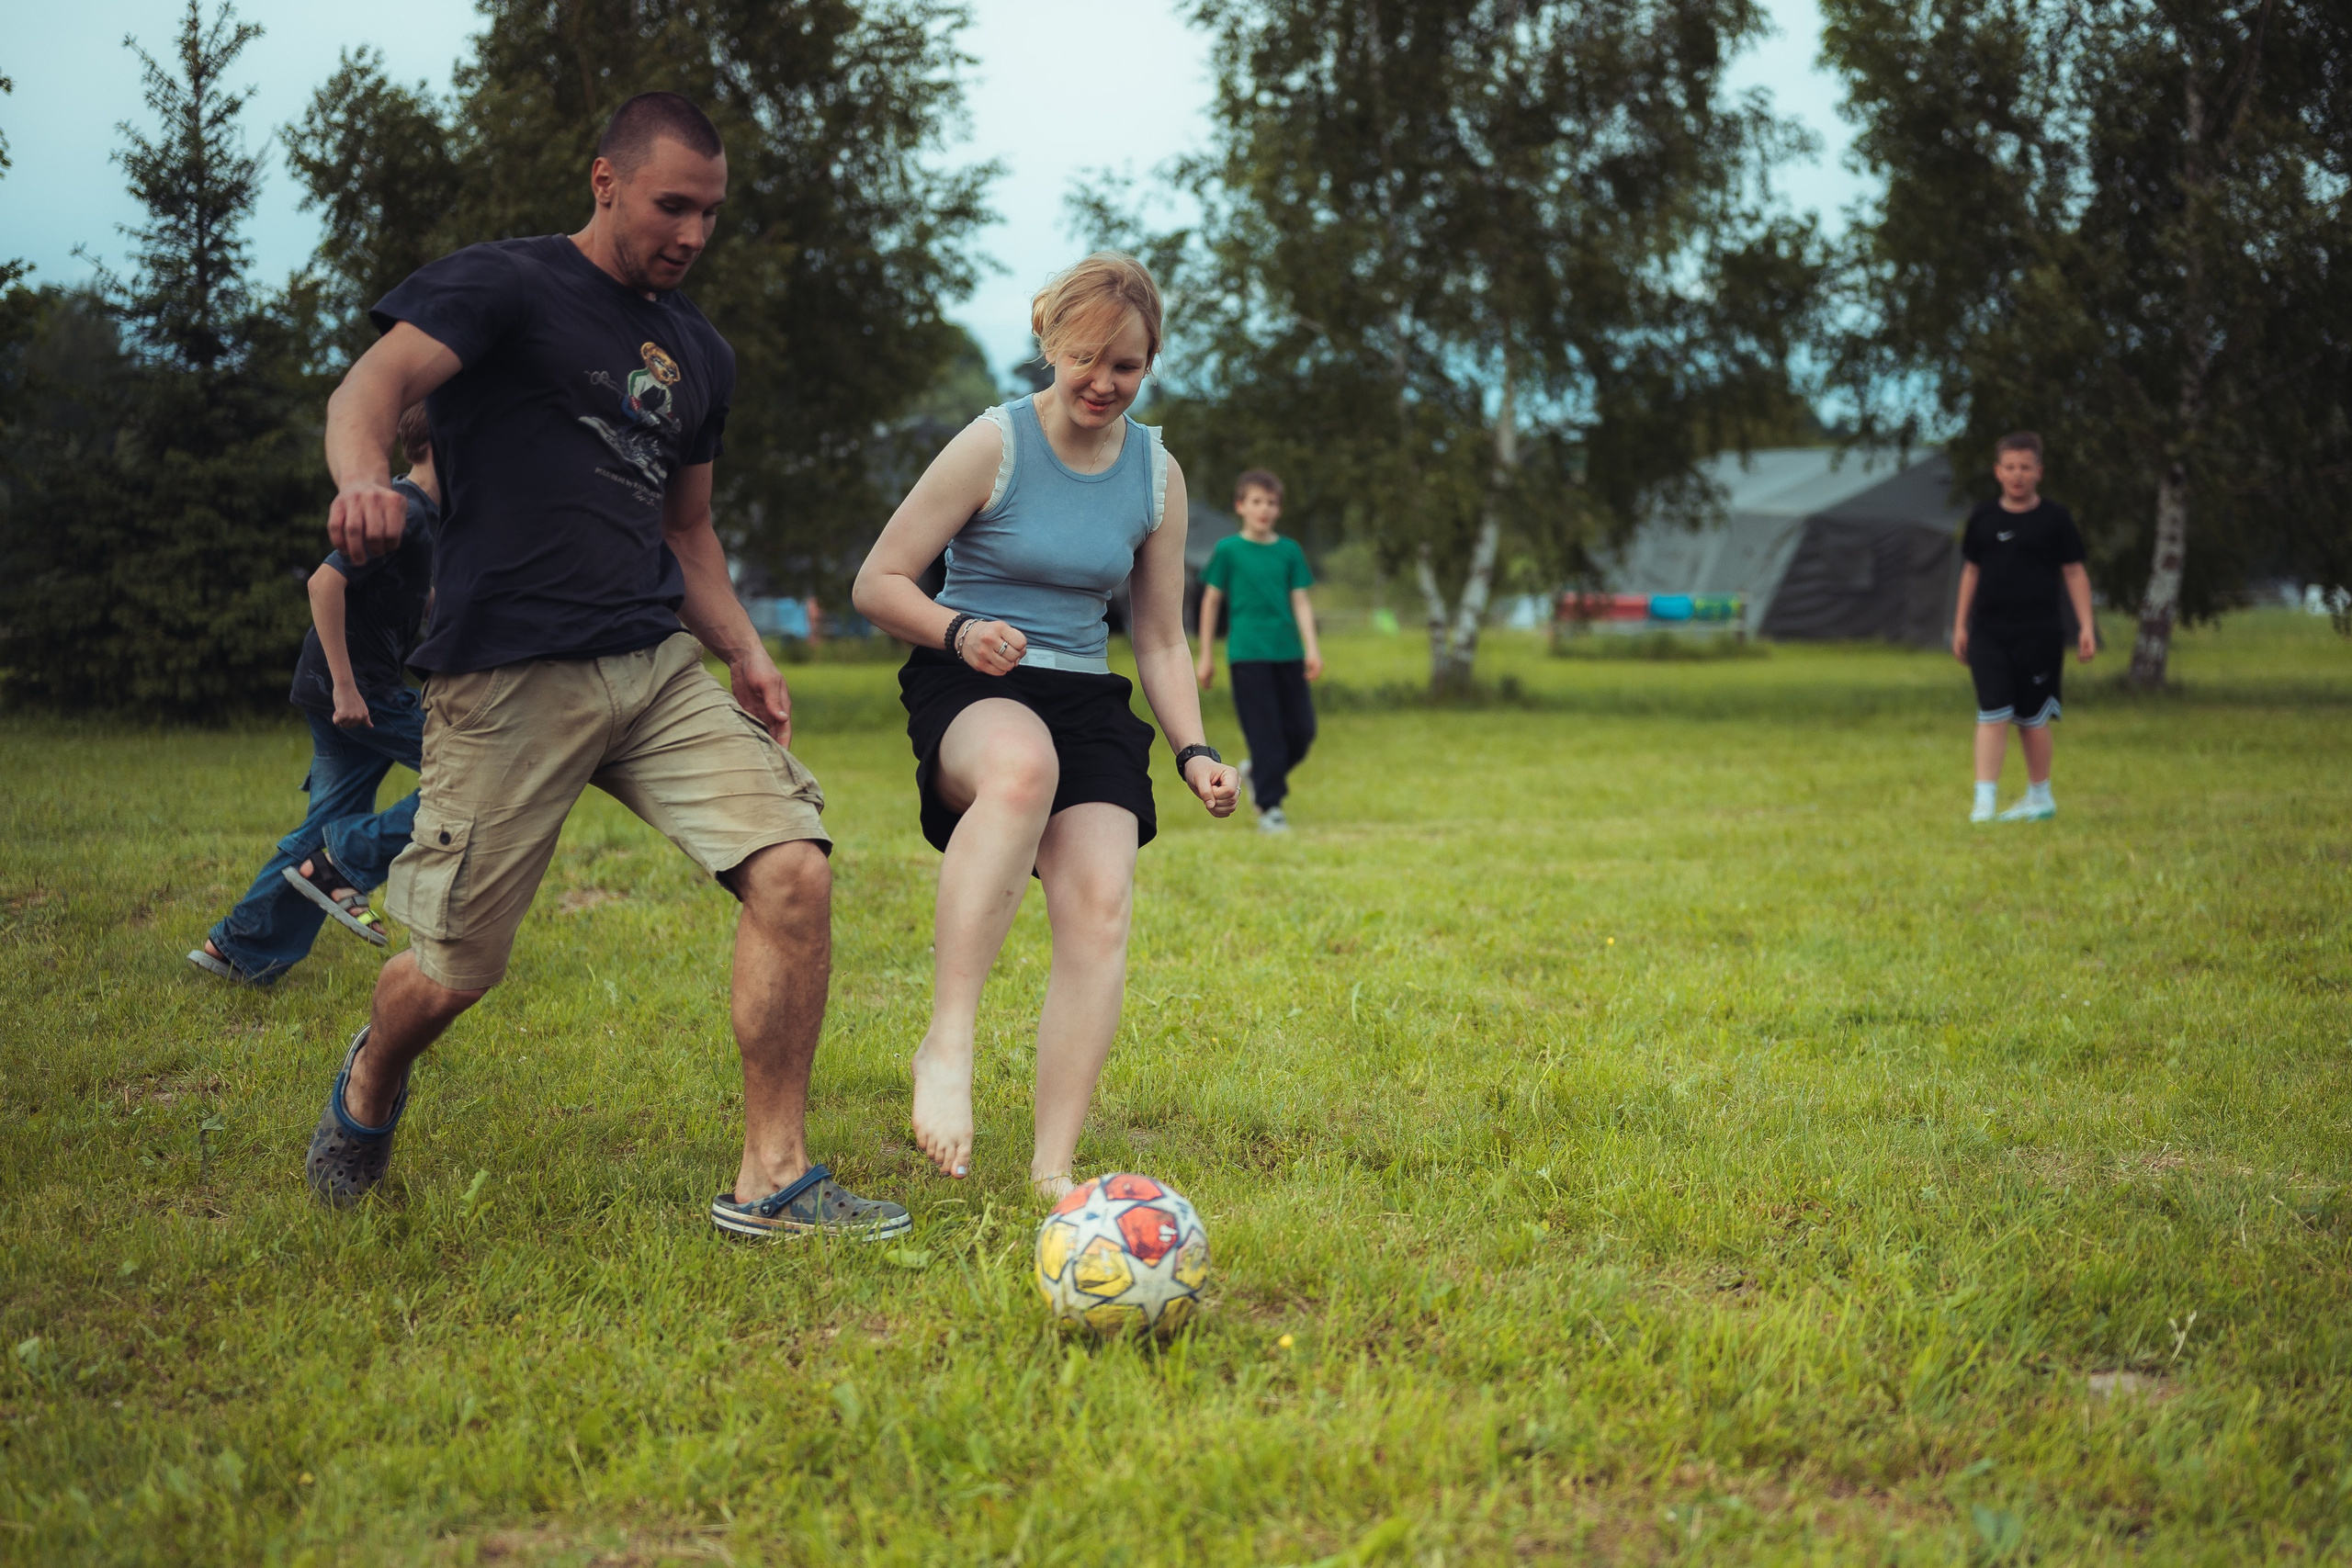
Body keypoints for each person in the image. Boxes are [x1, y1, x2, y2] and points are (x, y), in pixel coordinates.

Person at [308, 91, 908, 1243]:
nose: (689, 233)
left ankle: (771, 1178)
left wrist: (744, 649)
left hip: (652, 662)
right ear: (605, 180)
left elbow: (688, 534)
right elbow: (367, 390)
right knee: (453, 968)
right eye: (670, 204)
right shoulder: (507, 285)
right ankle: (372, 1081)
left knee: (794, 870)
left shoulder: (699, 354)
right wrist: (362, 483)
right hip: (505, 674)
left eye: (710, 214)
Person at [850, 252, 1241, 1198]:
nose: (1103, 382)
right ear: (1047, 344)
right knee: (1021, 768)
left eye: (1126, 365)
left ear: (1149, 364)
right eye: (1085, 358)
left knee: (1102, 906)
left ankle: (1052, 1169)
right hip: (971, 679)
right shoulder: (996, 445)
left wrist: (1192, 749)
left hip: (1084, 696)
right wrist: (958, 627)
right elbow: (876, 582)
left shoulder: (1156, 473)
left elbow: (1152, 638)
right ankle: (948, 1043)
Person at [187, 403, 440, 985]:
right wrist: (348, 690)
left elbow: (403, 601)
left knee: (320, 830)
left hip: (345, 683)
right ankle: (349, 859)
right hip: (354, 688)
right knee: (472, 773)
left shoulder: (430, 516)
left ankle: (237, 948)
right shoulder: (401, 509)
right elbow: (325, 584)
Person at [1952, 431, 2097, 822]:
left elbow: (2074, 572)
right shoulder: (1983, 517)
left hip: (2039, 634)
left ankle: (2040, 797)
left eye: (2026, 467)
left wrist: (2086, 626)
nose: (2018, 475)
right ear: (1998, 472)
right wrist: (1959, 625)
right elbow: (1971, 571)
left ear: (2039, 472)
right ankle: (1984, 803)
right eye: (2010, 467)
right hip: (1988, 633)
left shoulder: (2056, 519)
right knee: (1992, 712)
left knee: (2032, 720)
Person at [1193, 468, 1320, 832]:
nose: (1264, 509)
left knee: (1301, 732)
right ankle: (1270, 808)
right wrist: (1205, 656)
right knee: (1266, 735)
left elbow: (1300, 601)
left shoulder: (1289, 551)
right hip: (1248, 656)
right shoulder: (1228, 550)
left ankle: (1254, 772)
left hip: (1288, 654)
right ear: (1240, 506)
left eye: (1271, 503)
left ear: (1279, 509)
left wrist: (1312, 648)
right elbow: (1211, 602)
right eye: (1256, 502)